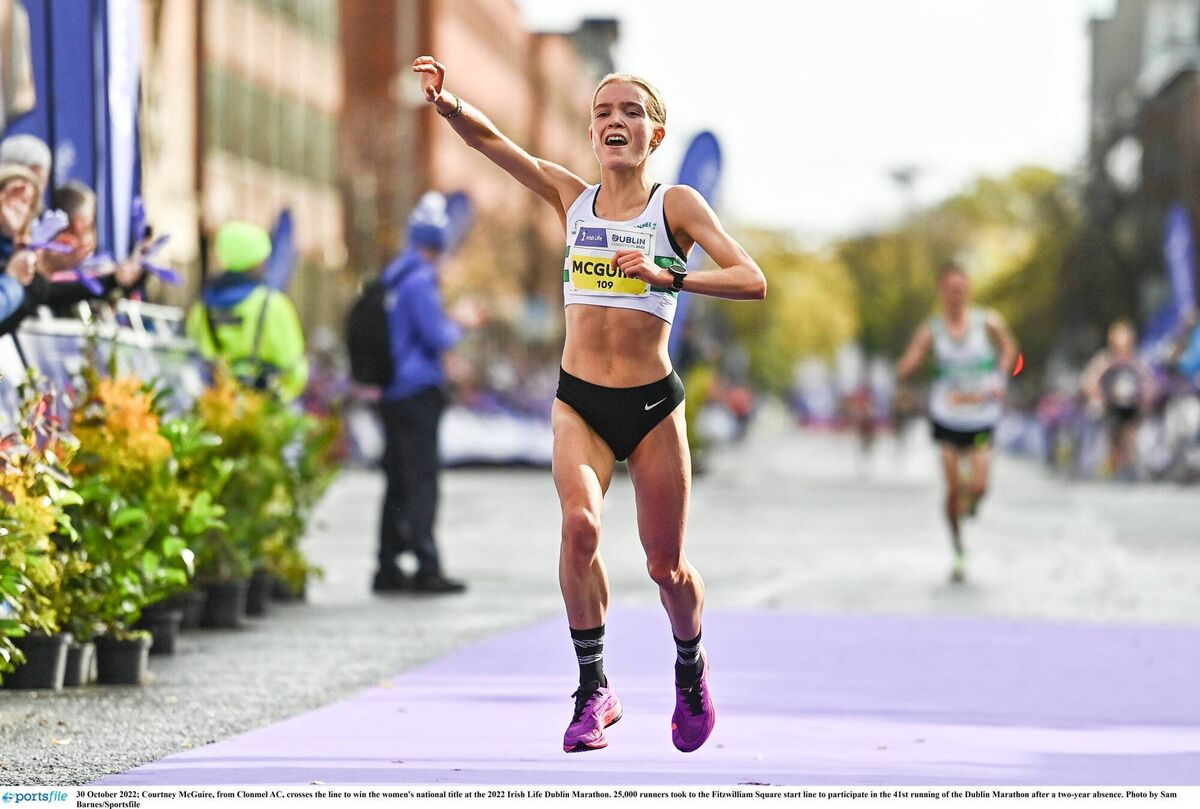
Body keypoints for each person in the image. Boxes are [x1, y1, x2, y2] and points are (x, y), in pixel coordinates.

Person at [412, 56, 766, 753]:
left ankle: (690, 667)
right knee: (579, 527)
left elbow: (751, 278)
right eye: (605, 111)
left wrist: (671, 273)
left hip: (652, 406)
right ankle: (594, 686)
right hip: (580, 402)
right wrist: (447, 101)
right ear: (592, 129)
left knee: (666, 567)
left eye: (631, 111)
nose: (615, 121)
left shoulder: (677, 206)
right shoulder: (571, 198)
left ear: (654, 135)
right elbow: (494, 144)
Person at [372, 192, 468, 596]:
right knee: (421, 478)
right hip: (417, 390)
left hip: (391, 390)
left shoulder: (392, 276)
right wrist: (460, 323)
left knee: (396, 477)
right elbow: (435, 336)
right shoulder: (420, 281)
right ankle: (427, 565)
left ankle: (388, 565)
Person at [896, 264, 1017, 583]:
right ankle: (958, 547)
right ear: (941, 292)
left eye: (961, 290)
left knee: (978, 486)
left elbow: (1010, 350)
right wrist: (907, 368)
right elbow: (910, 361)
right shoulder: (932, 330)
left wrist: (1002, 377)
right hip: (946, 417)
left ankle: (972, 502)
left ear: (969, 291)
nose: (956, 296)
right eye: (950, 290)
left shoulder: (988, 322)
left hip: (981, 419)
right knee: (952, 488)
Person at [185, 221, 308, 402]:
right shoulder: (272, 303)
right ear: (259, 259)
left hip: (218, 405)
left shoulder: (203, 305)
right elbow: (294, 365)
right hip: (264, 407)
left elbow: (194, 351)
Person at [1080, 321, 1155, 480]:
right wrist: (1098, 396)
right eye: (1118, 347)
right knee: (1105, 424)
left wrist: (1146, 397)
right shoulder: (1105, 359)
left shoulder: (1137, 360)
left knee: (1133, 430)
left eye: (1126, 346)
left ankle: (1133, 462)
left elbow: (1150, 382)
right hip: (1110, 406)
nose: (1122, 352)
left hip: (1132, 405)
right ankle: (1108, 462)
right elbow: (1088, 382)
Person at [0, 162, 39, 321]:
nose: (24, 210)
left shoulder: (11, 251)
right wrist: (13, 279)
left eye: (30, 205)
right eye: (22, 200)